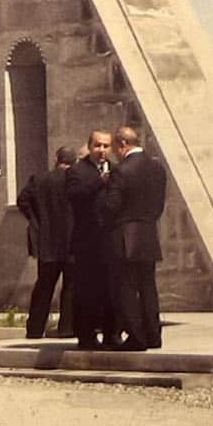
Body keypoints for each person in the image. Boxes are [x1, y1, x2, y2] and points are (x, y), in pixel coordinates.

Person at [102, 125, 167, 351]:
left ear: (122, 144)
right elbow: (159, 205)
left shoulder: (121, 171)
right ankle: (153, 335)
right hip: (148, 233)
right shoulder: (158, 169)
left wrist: (105, 187)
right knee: (148, 287)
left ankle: (136, 337)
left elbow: (111, 206)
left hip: (125, 235)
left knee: (127, 288)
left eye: (114, 148)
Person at [64, 129, 118, 350]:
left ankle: (111, 334)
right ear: (90, 146)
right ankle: (86, 336)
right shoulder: (77, 170)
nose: (102, 150)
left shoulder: (116, 170)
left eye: (106, 146)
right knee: (86, 291)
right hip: (87, 241)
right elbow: (74, 195)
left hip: (110, 240)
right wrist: (99, 182)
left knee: (111, 290)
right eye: (98, 145)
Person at [16, 145, 76, 339]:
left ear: (56, 159)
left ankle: (34, 328)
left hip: (47, 241)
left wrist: (35, 220)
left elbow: (22, 201)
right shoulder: (75, 181)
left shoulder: (39, 180)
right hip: (72, 242)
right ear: (74, 162)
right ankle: (67, 327)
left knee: (44, 285)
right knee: (70, 286)